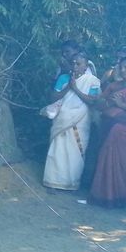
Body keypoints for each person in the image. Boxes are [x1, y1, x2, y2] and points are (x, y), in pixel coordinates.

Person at [42, 52, 101, 191]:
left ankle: (72, 184)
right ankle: (53, 181)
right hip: (62, 119)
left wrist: (75, 89)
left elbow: (92, 101)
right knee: (58, 149)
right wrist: (68, 86)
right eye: (73, 63)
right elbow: (53, 97)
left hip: (80, 120)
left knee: (75, 151)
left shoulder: (93, 81)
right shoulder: (63, 78)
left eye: (78, 64)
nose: (74, 66)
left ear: (86, 65)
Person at [89, 53, 126, 207]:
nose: (124, 70)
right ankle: (109, 195)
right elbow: (98, 104)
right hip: (107, 126)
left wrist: (120, 105)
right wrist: (109, 103)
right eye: (123, 67)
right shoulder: (114, 86)